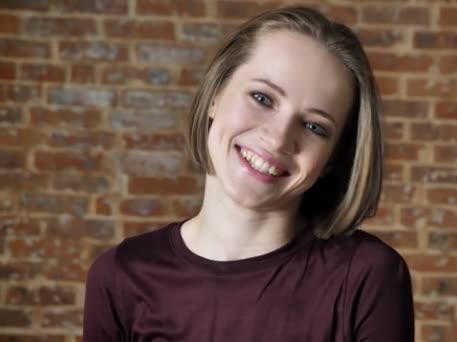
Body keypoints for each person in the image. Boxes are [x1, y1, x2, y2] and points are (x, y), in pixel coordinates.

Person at [84, 6, 414, 341]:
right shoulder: (120, 276)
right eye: (262, 98)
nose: (279, 137)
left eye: (314, 126)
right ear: (216, 94)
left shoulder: (367, 278)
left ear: (333, 158)